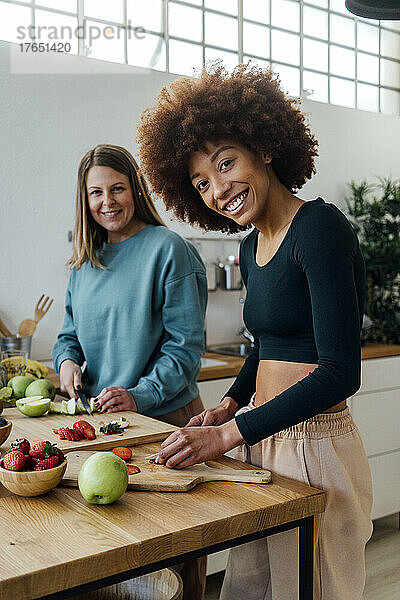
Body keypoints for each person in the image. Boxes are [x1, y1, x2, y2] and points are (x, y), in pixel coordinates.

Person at [137, 64, 373, 600]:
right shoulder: (250, 245)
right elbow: (265, 345)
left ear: (263, 147)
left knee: (312, 588)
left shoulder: (319, 227)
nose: (219, 189)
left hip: (315, 447)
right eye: (201, 182)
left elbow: (340, 372)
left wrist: (224, 435)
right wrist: (229, 405)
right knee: (249, 589)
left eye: (227, 163)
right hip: (259, 437)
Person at [52, 144, 208, 600]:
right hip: (104, 430)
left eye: (117, 188)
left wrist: (140, 395)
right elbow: (69, 336)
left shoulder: (169, 250)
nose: (108, 201)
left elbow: (186, 349)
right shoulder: (84, 263)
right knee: (117, 552)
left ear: (135, 189)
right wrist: (65, 364)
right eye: (96, 192)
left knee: (176, 556)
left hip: (167, 426)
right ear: (85, 200)